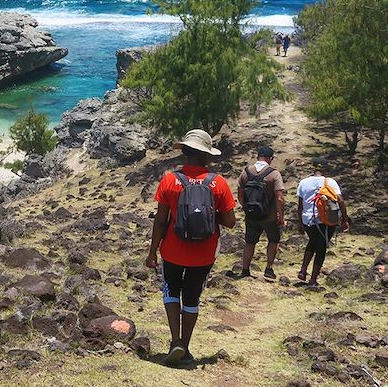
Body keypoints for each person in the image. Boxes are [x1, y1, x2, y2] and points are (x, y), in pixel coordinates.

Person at [146, 129, 236, 365]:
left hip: (173, 250)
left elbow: (161, 220)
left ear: (184, 152)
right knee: (192, 297)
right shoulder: (218, 183)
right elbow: (230, 222)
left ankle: (175, 340)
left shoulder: (169, 180)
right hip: (204, 254)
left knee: (171, 291)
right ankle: (185, 346)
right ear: (206, 156)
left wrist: (152, 251)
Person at [296, 158, 349, 287]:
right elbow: (340, 200)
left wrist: (300, 222)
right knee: (321, 248)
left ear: (313, 168)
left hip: (308, 220)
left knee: (313, 242)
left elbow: (300, 205)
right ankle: (313, 279)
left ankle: (303, 270)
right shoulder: (330, 182)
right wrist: (345, 219)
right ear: (325, 169)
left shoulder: (303, 182)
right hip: (325, 220)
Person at [237, 146, 285, 280]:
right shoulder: (274, 174)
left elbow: (240, 195)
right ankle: (269, 269)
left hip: (251, 215)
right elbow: (280, 198)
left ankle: (245, 269)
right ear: (270, 158)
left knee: (250, 242)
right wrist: (281, 216)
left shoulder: (246, 172)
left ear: (258, 157)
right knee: (273, 240)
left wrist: (246, 208)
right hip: (269, 216)